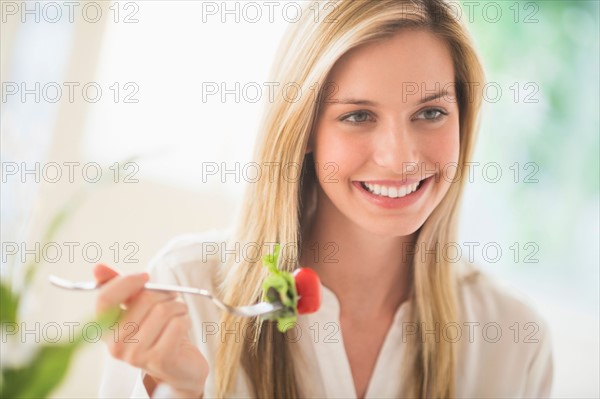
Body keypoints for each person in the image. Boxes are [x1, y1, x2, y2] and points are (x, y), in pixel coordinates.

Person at [96, 1, 553, 397]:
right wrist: (180, 389)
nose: (399, 158)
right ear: (306, 130)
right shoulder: (187, 293)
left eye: (430, 112)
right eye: (358, 116)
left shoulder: (514, 342)